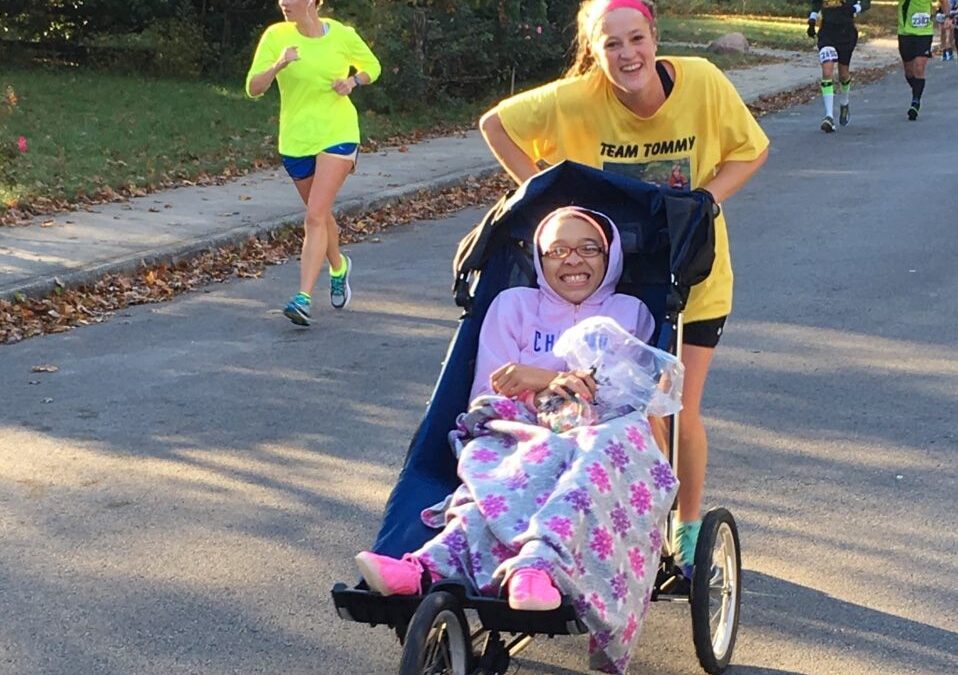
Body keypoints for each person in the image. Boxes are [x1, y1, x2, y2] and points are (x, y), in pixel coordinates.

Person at [478, 0, 768, 576]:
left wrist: (705, 200)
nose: (627, 54)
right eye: (612, 45)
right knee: (610, 408)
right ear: (596, 49)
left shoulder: (703, 84)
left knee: (676, 407)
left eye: (636, 39)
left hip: (691, 278)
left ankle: (684, 529)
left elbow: (751, 150)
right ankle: (622, 517)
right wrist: (545, 196)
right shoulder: (576, 98)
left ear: (654, 36)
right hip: (603, 281)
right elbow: (496, 125)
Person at [356, 207, 678, 674]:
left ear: (609, 256)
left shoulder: (630, 313)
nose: (574, 260)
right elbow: (490, 391)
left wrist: (536, 375)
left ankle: (539, 565)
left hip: (598, 433)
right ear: (540, 259)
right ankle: (425, 566)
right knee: (492, 480)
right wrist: (550, 383)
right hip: (520, 429)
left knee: (586, 460)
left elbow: (626, 392)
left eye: (589, 248)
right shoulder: (512, 306)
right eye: (558, 250)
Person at [245, 0, 380, 325]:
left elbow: (372, 66)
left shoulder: (342, 36)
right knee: (320, 215)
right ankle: (338, 266)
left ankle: (303, 297)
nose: (283, 3)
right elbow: (253, 88)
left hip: (338, 133)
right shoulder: (276, 36)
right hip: (296, 140)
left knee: (314, 215)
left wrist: (353, 82)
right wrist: (278, 64)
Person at [806, 1, 871, 131]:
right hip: (827, 33)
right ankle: (829, 116)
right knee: (827, 70)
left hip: (846, 33)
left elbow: (866, 3)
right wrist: (812, 20)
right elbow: (816, 4)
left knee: (843, 74)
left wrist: (854, 8)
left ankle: (844, 102)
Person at [897, 0, 949, 120]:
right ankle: (917, 90)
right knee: (909, 72)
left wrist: (946, 17)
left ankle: (915, 101)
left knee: (919, 67)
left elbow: (944, 2)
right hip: (905, 33)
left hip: (924, 33)